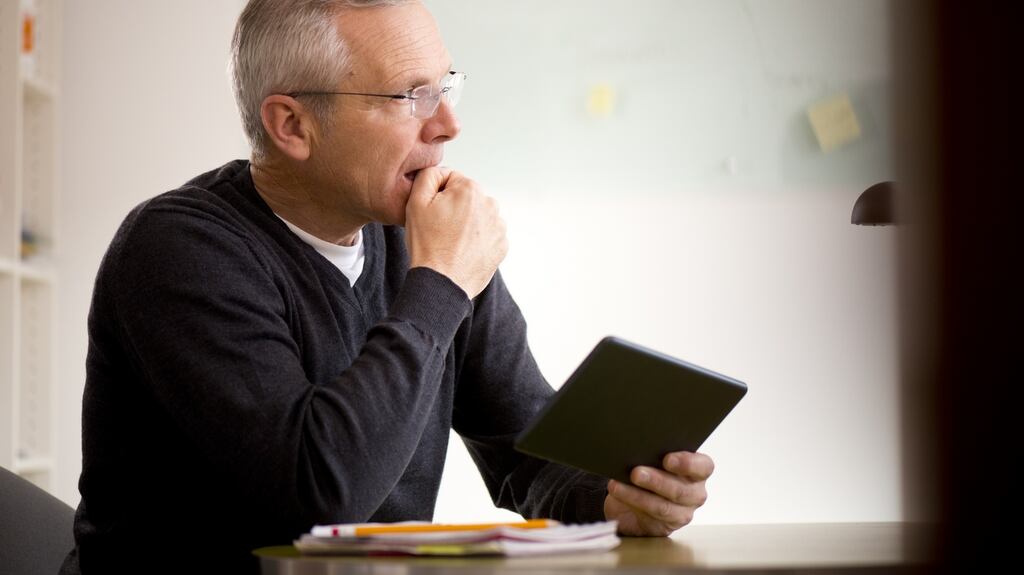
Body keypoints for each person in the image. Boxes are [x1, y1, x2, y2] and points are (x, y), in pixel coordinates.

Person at [61, 1, 714, 572]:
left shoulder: (425, 242)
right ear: (292, 126)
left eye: (446, 86)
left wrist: (612, 499)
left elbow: (529, 454)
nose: (448, 125)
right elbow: (319, 492)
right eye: (410, 96)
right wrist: (441, 280)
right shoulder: (178, 250)